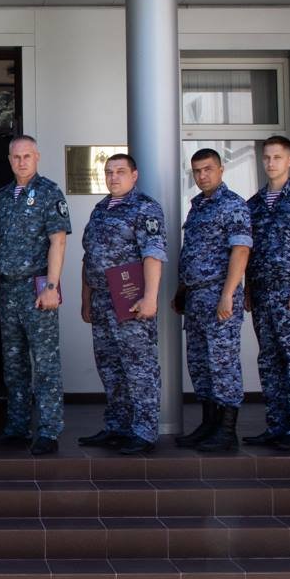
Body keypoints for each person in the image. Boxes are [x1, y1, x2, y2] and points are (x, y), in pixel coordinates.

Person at [0, 135, 72, 455]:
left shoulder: (49, 193)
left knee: (45, 362)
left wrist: (51, 286)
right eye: (16, 157)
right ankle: (18, 426)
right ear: (9, 160)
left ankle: (48, 430)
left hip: (38, 288)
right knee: (14, 362)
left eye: (27, 156)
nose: (21, 162)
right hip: (8, 288)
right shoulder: (4, 196)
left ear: (37, 157)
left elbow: (58, 242)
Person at [77, 154, 167, 455]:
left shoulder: (145, 208)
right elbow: (88, 258)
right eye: (108, 172)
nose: (113, 177)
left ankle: (144, 431)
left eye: (120, 172)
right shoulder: (100, 210)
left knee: (138, 367)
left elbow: (153, 254)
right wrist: (85, 298)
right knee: (110, 366)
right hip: (102, 299)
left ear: (134, 175)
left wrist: (150, 297)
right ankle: (118, 425)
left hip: (131, 300)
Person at [242, 136, 290, 450]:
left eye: (277, 157)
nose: (271, 163)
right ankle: (276, 425)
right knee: (269, 360)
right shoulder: (255, 203)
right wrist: (248, 286)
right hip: (262, 293)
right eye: (266, 158)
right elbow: (249, 250)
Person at [173, 149, 252, 453]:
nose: (202, 175)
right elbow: (191, 252)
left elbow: (241, 251)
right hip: (195, 296)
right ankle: (209, 424)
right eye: (197, 171)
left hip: (219, 294)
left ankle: (227, 431)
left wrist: (228, 294)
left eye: (208, 169)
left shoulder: (232, 205)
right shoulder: (198, 207)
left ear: (221, 169)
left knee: (223, 364)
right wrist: (182, 290)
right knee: (201, 363)